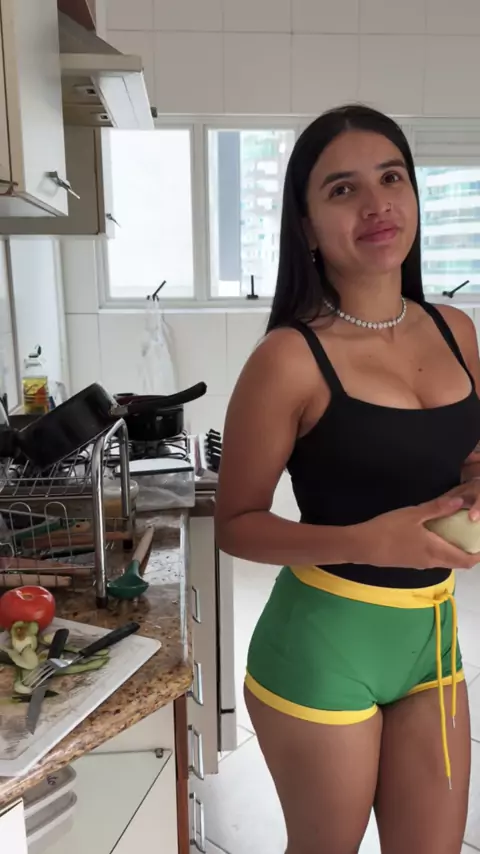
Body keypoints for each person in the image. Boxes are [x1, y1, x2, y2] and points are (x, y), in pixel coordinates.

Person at [215, 104, 480, 854]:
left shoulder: (456, 330)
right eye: (342, 189)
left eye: (391, 178)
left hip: (432, 639)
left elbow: (469, 453)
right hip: (322, 644)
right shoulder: (288, 359)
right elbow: (236, 523)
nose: (376, 204)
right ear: (306, 226)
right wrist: (368, 541)